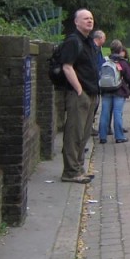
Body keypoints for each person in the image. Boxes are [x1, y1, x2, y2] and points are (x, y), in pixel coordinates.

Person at [58, 9, 100, 183]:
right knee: (74, 132)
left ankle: (79, 168)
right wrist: (79, 90)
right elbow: (67, 67)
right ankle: (70, 172)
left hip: (91, 93)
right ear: (76, 22)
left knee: (84, 133)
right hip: (79, 94)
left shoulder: (89, 41)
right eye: (85, 18)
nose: (89, 21)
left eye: (91, 18)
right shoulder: (73, 41)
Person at [98, 39, 130, 144]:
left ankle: (103, 137)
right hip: (119, 91)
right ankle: (119, 136)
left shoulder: (105, 61)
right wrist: (129, 90)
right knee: (117, 113)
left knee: (104, 113)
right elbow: (129, 78)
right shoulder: (123, 62)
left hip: (106, 90)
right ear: (120, 49)